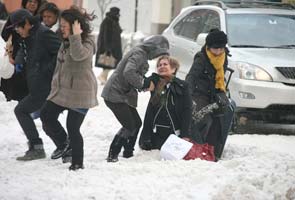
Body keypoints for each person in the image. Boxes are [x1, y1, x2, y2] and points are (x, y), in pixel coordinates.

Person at [40, 7, 98, 171]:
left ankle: (77, 163)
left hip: (81, 93)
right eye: (61, 25)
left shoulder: (89, 41)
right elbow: (59, 67)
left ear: (75, 26)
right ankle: (64, 144)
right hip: (64, 91)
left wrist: (76, 36)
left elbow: (79, 55)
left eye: (65, 25)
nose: (62, 28)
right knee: (46, 115)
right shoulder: (65, 42)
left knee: (73, 127)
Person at [101, 35, 169, 162]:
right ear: (154, 48)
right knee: (129, 125)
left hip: (122, 94)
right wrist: (144, 84)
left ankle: (128, 152)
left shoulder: (141, 54)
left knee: (136, 123)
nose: (156, 57)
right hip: (115, 94)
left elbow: (134, 77)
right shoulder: (139, 54)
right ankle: (113, 154)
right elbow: (129, 72)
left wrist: (144, 85)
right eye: (158, 53)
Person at [8, 9, 61, 161]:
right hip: (36, 84)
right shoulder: (30, 35)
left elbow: (60, 53)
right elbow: (28, 54)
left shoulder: (43, 33)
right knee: (47, 118)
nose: (17, 31)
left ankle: (38, 147)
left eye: (18, 27)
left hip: (44, 85)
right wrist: (20, 62)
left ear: (27, 23)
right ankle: (64, 145)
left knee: (21, 110)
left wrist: (44, 71)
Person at [185, 28, 234, 160]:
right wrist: (188, 97)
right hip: (200, 94)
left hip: (215, 93)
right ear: (208, 46)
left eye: (221, 48)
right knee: (205, 119)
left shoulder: (223, 57)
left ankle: (213, 151)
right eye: (215, 49)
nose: (218, 52)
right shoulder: (201, 59)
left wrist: (221, 93)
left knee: (220, 118)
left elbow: (221, 78)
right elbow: (191, 77)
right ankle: (199, 149)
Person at [139, 55, 192, 150]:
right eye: (159, 65)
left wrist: (185, 135)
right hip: (156, 135)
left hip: (175, 135)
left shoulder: (183, 86)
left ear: (173, 69)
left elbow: (187, 111)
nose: (161, 66)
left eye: (165, 64)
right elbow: (143, 83)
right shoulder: (154, 81)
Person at [95, 7, 122, 85]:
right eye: (118, 14)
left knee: (108, 63)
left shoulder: (112, 20)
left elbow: (115, 31)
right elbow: (107, 35)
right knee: (110, 63)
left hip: (112, 46)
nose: (119, 16)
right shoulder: (109, 21)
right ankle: (102, 76)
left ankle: (104, 79)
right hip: (110, 47)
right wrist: (108, 48)